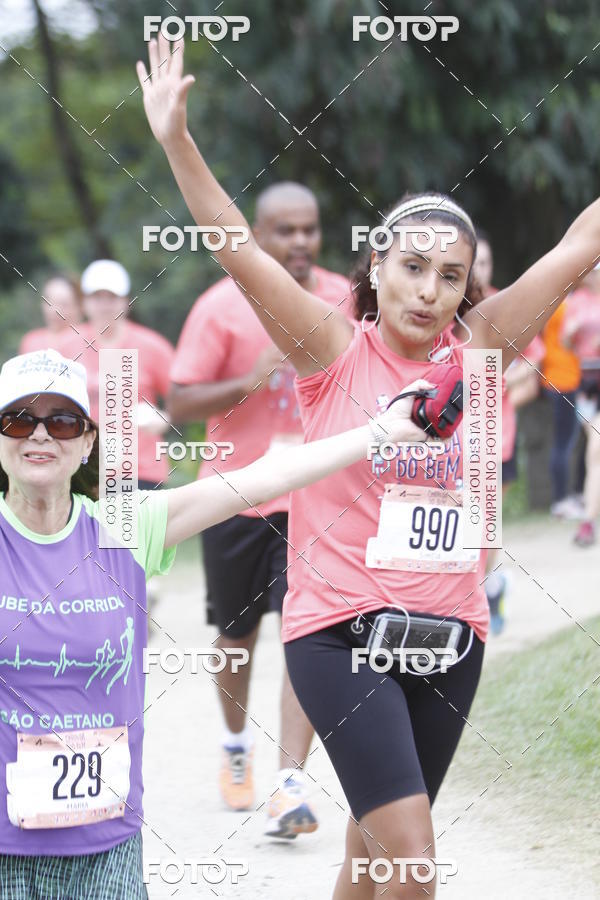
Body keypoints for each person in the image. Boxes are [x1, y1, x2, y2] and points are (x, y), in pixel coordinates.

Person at [136, 36, 600, 898]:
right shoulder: (328, 349)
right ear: (376, 266)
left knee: (373, 857)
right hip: (340, 634)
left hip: (451, 638)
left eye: (450, 276)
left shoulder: (486, 350)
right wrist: (177, 141)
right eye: (413, 267)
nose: (429, 290)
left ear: (468, 288)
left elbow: (581, 245)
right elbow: (236, 246)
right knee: (415, 863)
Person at [0, 348, 428, 898]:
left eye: (60, 421)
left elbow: (262, 479)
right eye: (18, 420)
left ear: (87, 441)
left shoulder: (123, 529)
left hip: (107, 845)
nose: (40, 436)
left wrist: (382, 431)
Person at [168, 181, 351, 835]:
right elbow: (178, 401)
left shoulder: (343, 298)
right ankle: (235, 747)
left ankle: (288, 784)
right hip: (235, 498)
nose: (300, 243)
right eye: (285, 231)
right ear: (259, 234)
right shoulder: (221, 305)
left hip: (313, 500)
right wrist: (249, 380)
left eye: (310, 229)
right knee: (236, 639)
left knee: (305, 633)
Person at [472, 233, 545, 634]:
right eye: (473, 263)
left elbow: (530, 375)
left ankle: (490, 589)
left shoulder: (505, 308)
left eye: (485, 263)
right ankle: (484, 590)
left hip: (495, 440)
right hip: (451, 445)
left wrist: (490, 395)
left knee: (486, 524)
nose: (479, 271)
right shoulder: (445, 310)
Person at [56, 259, 174, 493]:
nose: (104, 305)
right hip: (82, 469)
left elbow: (183, 398)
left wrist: (164, 417)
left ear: (126, 302)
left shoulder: (152, 346)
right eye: (97, 297)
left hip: (140, 471)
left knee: (135, 531)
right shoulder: (66, 347)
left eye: (112, 297)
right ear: (85, 303)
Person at [560, 265, 600, 545]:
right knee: (595, 449)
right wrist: (573, 332)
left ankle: (587, 520)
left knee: (596, 449)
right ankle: (589, 519)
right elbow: (564, 343)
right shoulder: (575, 302)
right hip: (587, 381)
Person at [541, 304, 582, 517]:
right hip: (562, 380)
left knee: (567, 441)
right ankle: (560, 500)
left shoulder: (560, 301)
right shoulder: (563, 303)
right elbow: (567, 337)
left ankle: (569, 497)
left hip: (565, 378)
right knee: (563, 442)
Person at [20, 274, 82, 353]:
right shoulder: (31, 341)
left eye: (63, 304)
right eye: (48, 302)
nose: (54, 310)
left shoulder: (95, 338)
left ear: (80, 306)